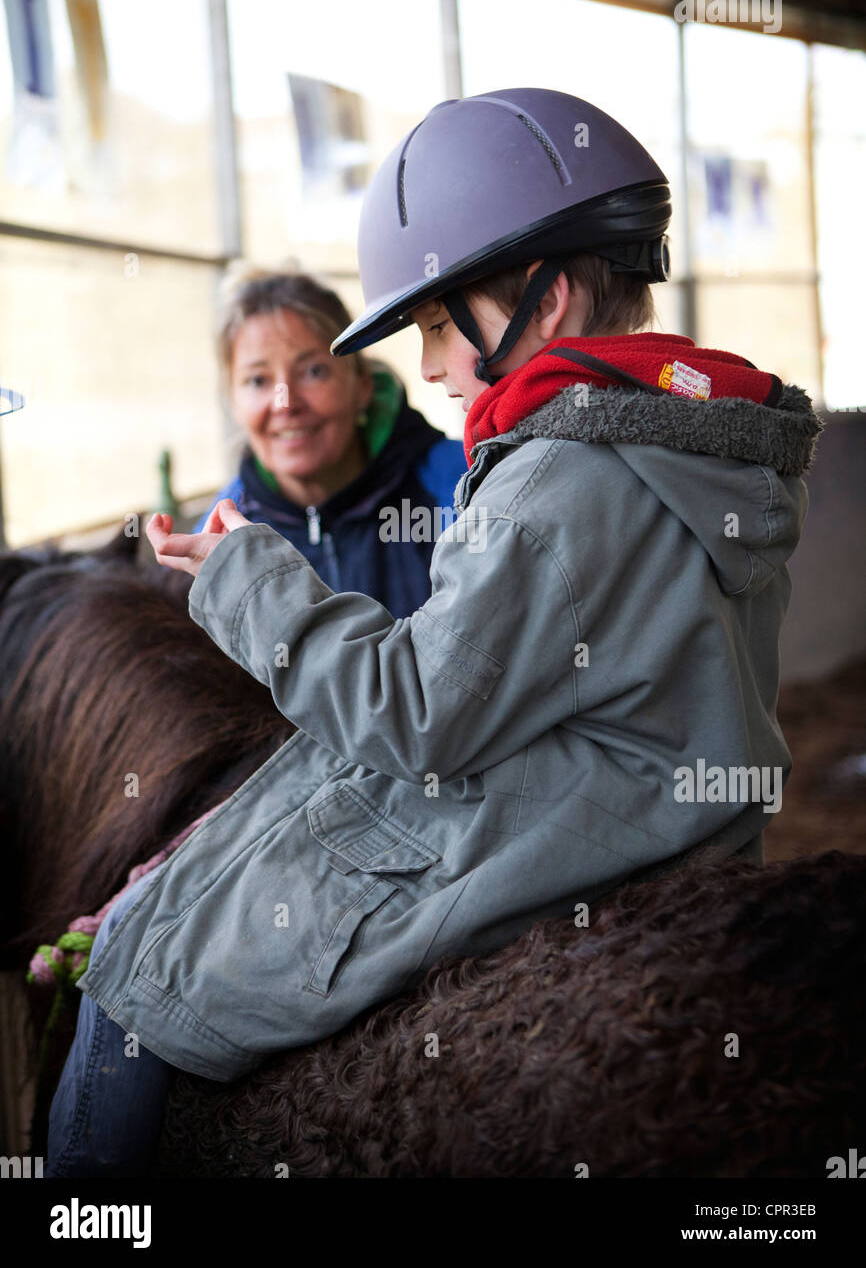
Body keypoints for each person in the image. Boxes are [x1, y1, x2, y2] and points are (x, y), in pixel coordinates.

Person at [47, 87, 821, 1176]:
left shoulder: (554, 473)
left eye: (433, 325)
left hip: (563, 833)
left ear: (542, 300)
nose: (428, 367)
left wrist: (242, 577)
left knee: (137, 981)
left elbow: (415, 714)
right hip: (688, 827)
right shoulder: (694, 439)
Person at [193, 263, 466, 618]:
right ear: (232, 400)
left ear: (362, 385)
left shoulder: (463, 487)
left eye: (313, 371)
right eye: (258, 380)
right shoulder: (217, 540)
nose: (285, 403)